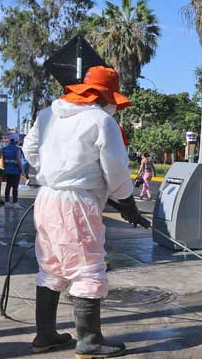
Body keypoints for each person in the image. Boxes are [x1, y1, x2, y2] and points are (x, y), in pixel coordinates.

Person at [23, 66, 141, 357]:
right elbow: (115, 168)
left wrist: (56, 172)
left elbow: (30, 149)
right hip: (76, 204)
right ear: (106, 97)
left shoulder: (47, 114)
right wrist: (127, 202)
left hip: (46, 198)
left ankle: (46, 335)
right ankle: (89, 340)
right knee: (88, 267)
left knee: (51, 266)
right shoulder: (101, 121)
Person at [1, 134, 27, 208]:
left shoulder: (4, 149)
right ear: (16, 141)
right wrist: (23, 171)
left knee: (8, 186)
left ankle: (7, 202)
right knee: (15, 187)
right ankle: (15, 203)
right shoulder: (17, 149)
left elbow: (3, 160)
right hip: (15, 171)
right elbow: (19, 161)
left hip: (7, 170)